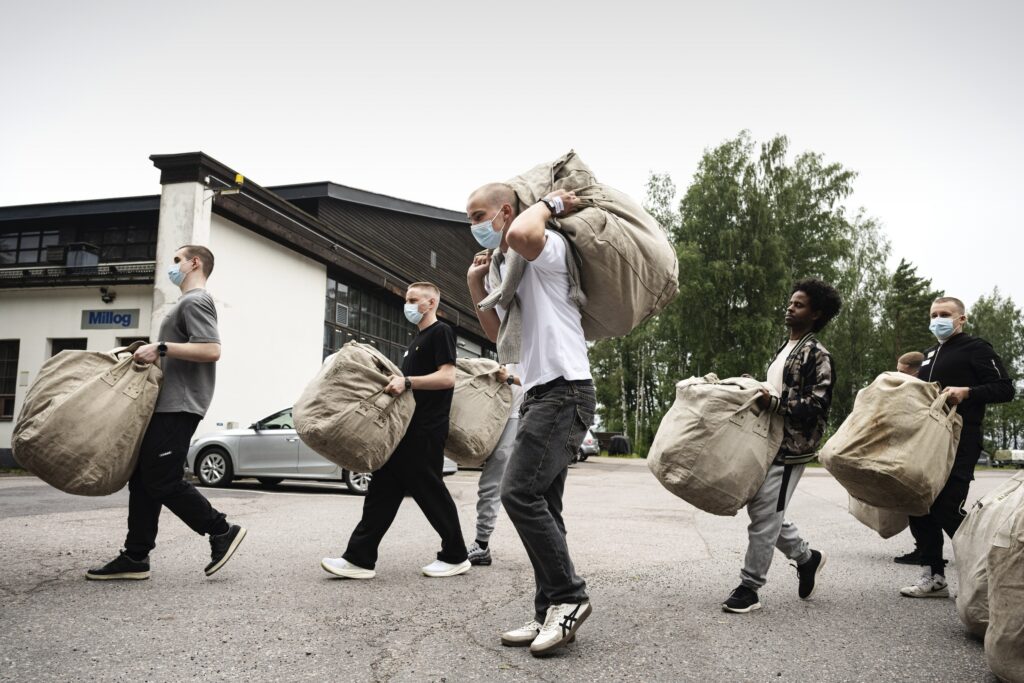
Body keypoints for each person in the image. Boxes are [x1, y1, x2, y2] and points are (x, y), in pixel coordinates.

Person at [466, 183, 595, 656]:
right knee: (545, 505)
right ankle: (547, 609)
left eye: (478, 215)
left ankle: (569, 598)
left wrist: (549, 203)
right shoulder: (509, 271)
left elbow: (523, 231)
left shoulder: (547, 248)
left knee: (517, 492)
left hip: (566, 389)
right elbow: (502, 337)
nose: (473, 225)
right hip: (540, 392)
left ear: (505, 211)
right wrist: (475, 284)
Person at [87, 245, 246, 580]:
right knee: (144, 480)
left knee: (162, 479)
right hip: (167, 404)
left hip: (180, 404)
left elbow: (211, 349)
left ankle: (221, 530)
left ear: (195, 263)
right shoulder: (184, 303)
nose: (172, 266)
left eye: (177, 260)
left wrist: (160, 347)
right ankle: (135, 557)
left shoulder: (196, 299)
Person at [321, 282, 469, 579]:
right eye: (407, 300)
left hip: (426, 428)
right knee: (383, 490)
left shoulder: (441, 332)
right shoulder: (416, 340)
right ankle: (359, 558)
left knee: (430, 491)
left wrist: (408, 381)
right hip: (406, 429)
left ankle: (455, 555)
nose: (408, 306)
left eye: (414, 300)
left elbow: (448, 377)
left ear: (430, 304)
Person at [722, 278, 842, 614]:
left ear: (816, 314)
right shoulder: (785, 348)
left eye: (799, 304)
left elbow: (817, 403)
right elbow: (778, 389)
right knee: (765, 511)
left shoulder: (818, 354)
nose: (790, 307)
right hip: (767, 441)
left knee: (765, 515)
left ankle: (749, 587)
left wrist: (774, 403)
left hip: (792, 447)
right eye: (790, 303)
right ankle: (806, 558)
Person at [898, 296, 1014, 597]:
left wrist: (968, 392)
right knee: (918, 502)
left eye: (945, 314)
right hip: (927, 440)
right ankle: (933, 575)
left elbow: (1005, 388)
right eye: (934, 314)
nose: (938, 319)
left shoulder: (977, 348)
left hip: (962, 438)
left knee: (947, 506)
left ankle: (989, 568)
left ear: (961, 319)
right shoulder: (929, 353)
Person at [466, 362, 523, 567]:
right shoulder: (510, 353)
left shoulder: (537, 348)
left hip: (520, 419)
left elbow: (545, 383)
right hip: (499, 416)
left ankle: (481, 545)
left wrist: (509, 379)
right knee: (491, 483)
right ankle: (482, 544)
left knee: (495, 483)